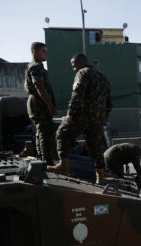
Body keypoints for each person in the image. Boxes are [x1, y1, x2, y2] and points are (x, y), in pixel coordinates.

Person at [48, 53, 112, 184]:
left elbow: (77, 94)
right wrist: (106, 114)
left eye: (74, 65)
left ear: (81, 63)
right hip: (98, 118)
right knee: (96, 146)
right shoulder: (102, 76)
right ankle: (100, 176)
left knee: (62, 133)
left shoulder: (82, 73)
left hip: (82, 116)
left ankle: (64, 165)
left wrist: (71, 113)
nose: (74, 69)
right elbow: (109, 98)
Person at [24, 42, 57, 165]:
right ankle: (47, 162)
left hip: (39, 102)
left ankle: (43, 160)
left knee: (42, 132)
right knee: (45, 132)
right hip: (39, 103)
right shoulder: (35, 66)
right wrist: (50, 105)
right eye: (43, 51)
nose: (46, 53)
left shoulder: (39, 66)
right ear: (35, 52)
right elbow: (39, 87)